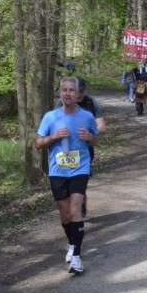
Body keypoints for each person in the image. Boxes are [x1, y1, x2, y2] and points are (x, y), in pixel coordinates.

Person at [36, 77, 100, 274]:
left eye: (72, 90)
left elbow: (96, 140)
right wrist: (53, 136)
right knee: (65, 215)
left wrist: (90, 137)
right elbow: (38, 144)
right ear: (60, 93)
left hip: (80, 169)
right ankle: (72, 243)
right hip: (58, 171)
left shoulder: (87, 116)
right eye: (64, 90)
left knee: (74, 211)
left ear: (78, 93)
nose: (68, 93)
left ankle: (77, 258)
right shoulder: (50, 117)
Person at [54, 78, 106, 220]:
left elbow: (102, 127)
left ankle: (79, 201)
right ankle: (74, 202)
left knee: (80, 179)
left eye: (82, 91)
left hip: (85, 149)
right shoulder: (61, 102)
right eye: (78, 91)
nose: (79, 94)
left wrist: (90, 133)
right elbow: (53, 123)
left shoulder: (91, 103)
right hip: (65, 148)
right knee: (66, 179)